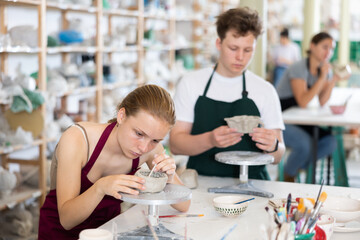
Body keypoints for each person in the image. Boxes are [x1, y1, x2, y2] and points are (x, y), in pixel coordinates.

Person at [38, 84, 190, 239]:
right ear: (121, 116)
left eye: (155, 140)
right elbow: (67, 220)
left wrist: (169, 177)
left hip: (108, 232)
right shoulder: (77, 139)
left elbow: (184, 205)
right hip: (59, 234)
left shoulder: (151, 150)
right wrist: (100, 188)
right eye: (138, 133)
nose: (144, 147)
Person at [169, 7, 285, 180]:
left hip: (254, 183)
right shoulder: (191, 83)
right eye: (233, 48)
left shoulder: (264, 90)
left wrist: (273, 146)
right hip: (201, 183)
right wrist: (210, 140)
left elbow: (279, 155)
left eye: (248, 50)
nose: (240, 57)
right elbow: (175, 145)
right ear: (218, 44)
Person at [276, 32, 343, 182]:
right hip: (280, 120)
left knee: (330, 142)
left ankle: (292, 171)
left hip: (297, 119)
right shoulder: (298, 67)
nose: (328, 52)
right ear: (312, 46)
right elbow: (303, 101)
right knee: (305, 144)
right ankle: (288, 176)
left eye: (331, 49)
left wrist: (332, 80)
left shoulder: (324, 69)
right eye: (325, 47)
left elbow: (322, 101)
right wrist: (321, 78)